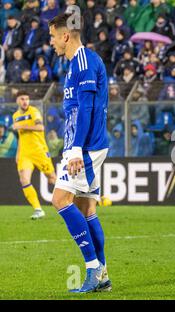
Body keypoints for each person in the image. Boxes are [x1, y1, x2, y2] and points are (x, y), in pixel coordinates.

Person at [48, 12, 111, 293]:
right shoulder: (75, 65)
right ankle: (104, 274)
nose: (51, 43)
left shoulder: (84, 61)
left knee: (60, 199)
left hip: (85, 147)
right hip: (81, 145)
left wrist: (74, 150)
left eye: (52, 36)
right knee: (86, 208)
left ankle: (92, 267)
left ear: (65, 35)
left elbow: (86, 108)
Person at [12, 91, 56, 219]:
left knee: (52, 178)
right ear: (17, 101)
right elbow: (21, 137)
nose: (25, 101)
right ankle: (38, 209)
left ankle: (74, 200)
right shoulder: (15, 115)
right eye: (22, 99)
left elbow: (40, 128)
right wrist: (18, 153)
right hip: (25, 153)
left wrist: (22, 125)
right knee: (24, 179)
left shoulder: (34, 111)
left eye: (27, 99)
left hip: (39, 151)